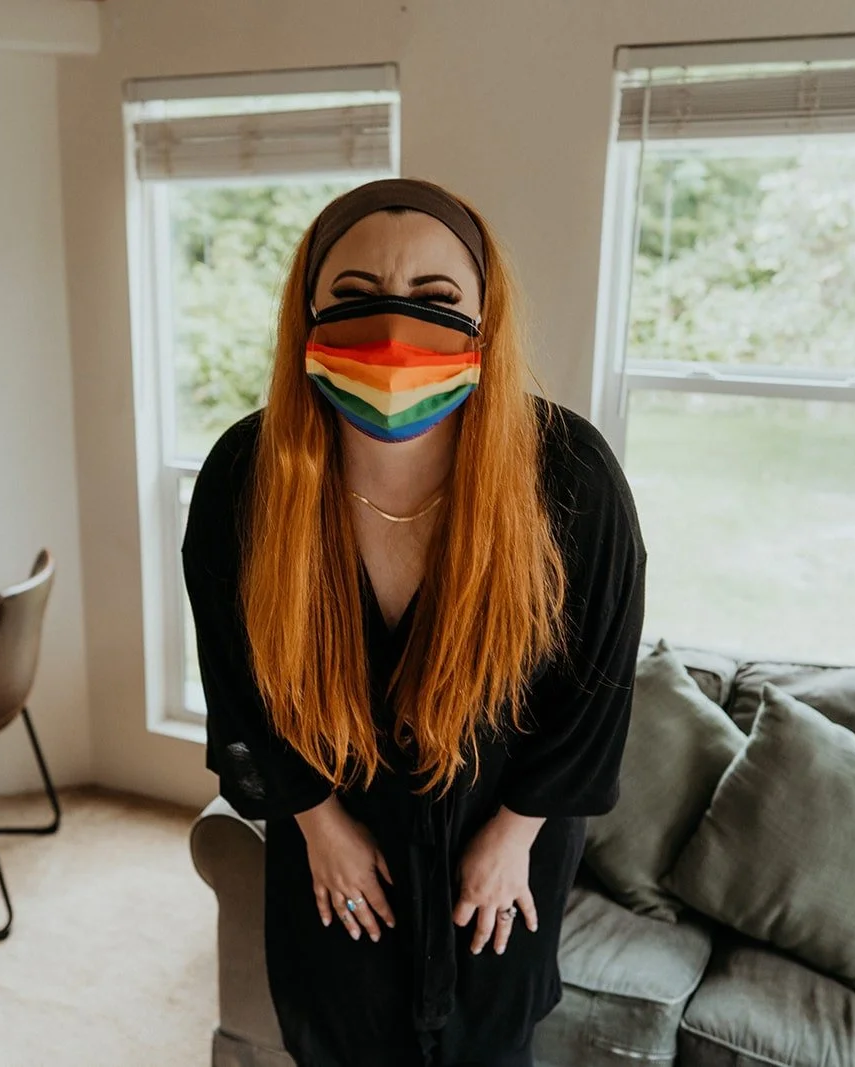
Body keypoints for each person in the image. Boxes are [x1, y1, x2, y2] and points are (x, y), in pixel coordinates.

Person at [182, 177, 647, 1067]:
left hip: (504, 848)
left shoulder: (571, 475)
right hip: (329, 847)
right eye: (355, 297)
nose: (395, 330)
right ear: (307, 314)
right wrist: (321, 828)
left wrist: (512, 838)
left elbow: (598, 692)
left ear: (484, 318)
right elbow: (237, 683)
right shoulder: (246, 475)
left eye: (434, 298)